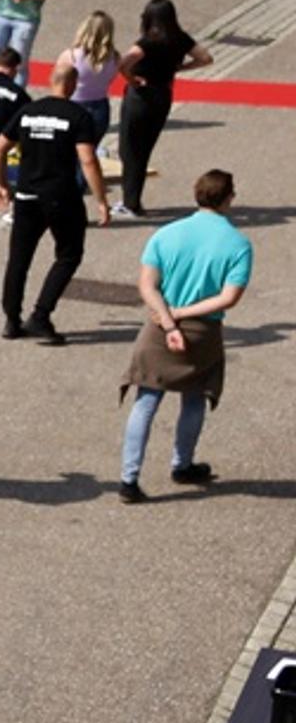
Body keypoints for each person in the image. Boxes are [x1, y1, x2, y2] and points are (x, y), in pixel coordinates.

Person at [122, 171, 252, 504]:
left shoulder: (166, 234)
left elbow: (147, 286)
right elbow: (228, 298)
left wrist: (168, 320)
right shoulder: (238, 244)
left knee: (146, 401)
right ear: (228, 198)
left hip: (157, 328)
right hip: (203, 332)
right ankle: (182, 464)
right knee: (194, 397)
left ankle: (128, 479)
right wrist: (182, 316)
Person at [0, 70, 108, 346]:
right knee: (69, 255)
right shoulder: (78, 115)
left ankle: (11, 320)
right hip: (61, 197)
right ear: (72, 85)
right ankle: (41, 315)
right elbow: (88, 160)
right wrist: (101, 199)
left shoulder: (28, 111)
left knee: (19, 259)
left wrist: (2, 183)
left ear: (50, 82)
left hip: (27, 196)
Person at [117, 0, 213, 220]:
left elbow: (124, 62)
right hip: (163, 95)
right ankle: (132, 200)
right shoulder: (180, 39)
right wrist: (180, 67)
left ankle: (131, 202)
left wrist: (130, 79)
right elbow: (206, 58)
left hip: (140, 96)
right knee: (145, 147)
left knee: (129, 149)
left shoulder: (147, 42)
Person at [58, 9, 124, 152]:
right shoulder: (115, 58)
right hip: (100, 106)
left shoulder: (71, 56)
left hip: (74, 105)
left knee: (67, 152)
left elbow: (58, 83)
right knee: (89, 153)